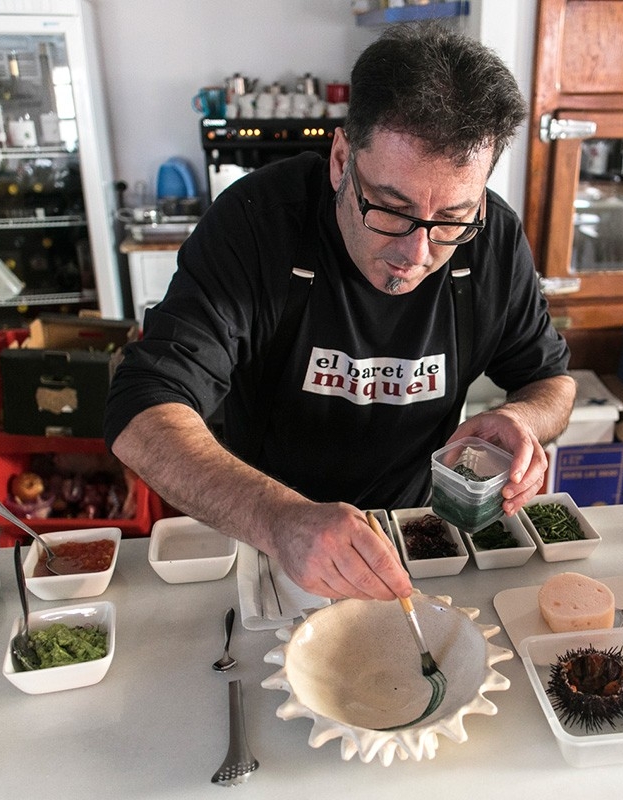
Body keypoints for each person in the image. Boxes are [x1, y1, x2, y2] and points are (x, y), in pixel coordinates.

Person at [105, 23, 575, 602]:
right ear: (340, 159)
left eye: (452, 219)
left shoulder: (493, 239)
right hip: (269, 536)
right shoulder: (258, 222)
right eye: (391, 210)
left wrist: (525, 420)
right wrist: (278, 518)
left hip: (417, 540)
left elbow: (551, 381)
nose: (416, 254)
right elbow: (142, 408)